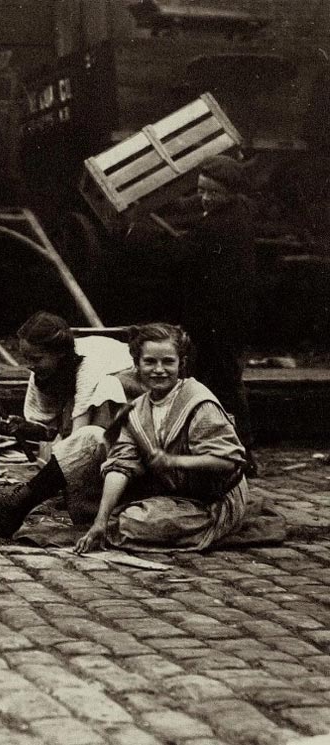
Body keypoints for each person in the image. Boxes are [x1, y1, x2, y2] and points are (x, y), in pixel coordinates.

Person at [74, 323, 281, 553]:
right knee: (100, 507)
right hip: (175, 491)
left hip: (214, 499)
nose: (159, 370)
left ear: (181, 364)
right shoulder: (137, 409)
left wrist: (174, 461)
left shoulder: (198, 402)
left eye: (168, 362)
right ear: (137, 365)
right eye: (150, 362)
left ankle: (183, 521)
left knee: (131, 523)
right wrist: (100, 521)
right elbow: (121, 465)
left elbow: (229, 461)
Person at [0, 311, 141, 537]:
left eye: (36, 359)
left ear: (60, 354)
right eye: (27, 358)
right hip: (103, 409)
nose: (30, 365)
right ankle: (15, 507)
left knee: (93, 429)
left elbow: (79, 441)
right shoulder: (43, 372)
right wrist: (29, 428)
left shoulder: (89, 369)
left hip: (130, 397)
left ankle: (15, 506)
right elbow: (49, 429)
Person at [180, 155, 258, 473]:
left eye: (212, 192)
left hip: (217, 320)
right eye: (201, 190)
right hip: (228, 318)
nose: (205, 197)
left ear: (228, 193)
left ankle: (242, 453)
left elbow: (187, 259)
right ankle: (234, 450)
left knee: (220, 384)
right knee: (225, 381)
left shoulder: (216, 227)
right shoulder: (240, 214)